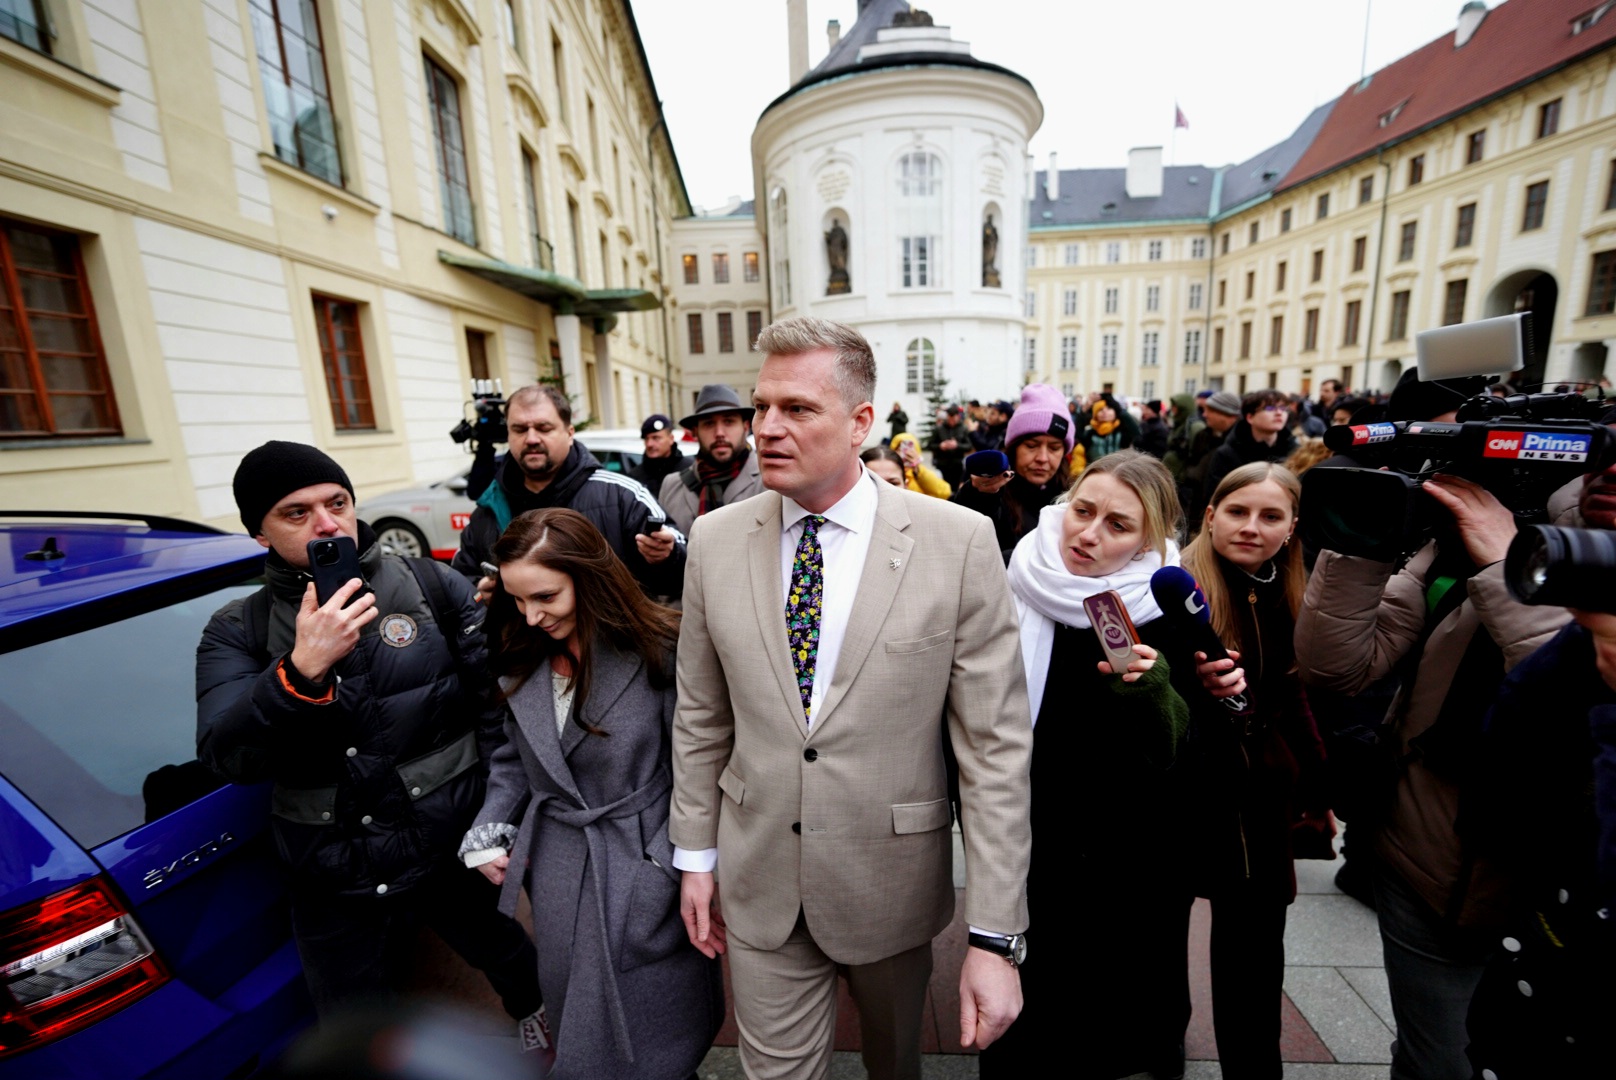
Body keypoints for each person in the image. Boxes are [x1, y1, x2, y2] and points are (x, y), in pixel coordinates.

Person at [670, 316, 1033, 1080]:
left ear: (861, 421)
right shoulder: (714, 540)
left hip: (890, 884)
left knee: (894, 1067)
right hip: (760, 875)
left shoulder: (958, 542)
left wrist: (996, 937)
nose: (767, 427)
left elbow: (994, 751)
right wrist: (695, 855)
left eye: (797, 408)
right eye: (762, 406)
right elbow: (701, 713)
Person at [195, 441, 543, 1032]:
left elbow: (493, 709)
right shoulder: (237, 628)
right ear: (259, 533)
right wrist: (298, 672)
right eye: (297, 512)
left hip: (446, 837)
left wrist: (495, 813)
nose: (328, 524)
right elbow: (228, 758)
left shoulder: (431, 585)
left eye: (337, 503)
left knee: (504, 949)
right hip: (333, 865)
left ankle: (535, 1013)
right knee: (350, 1021)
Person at [1293, 372, 1571, 1080]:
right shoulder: (1461, 536)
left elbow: (1578, 705)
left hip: (1550, 883)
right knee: (1432, 1060)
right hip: (1423, 855)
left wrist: (1511, 564)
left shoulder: (1529, 542)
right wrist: (1361, 540)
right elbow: (1338, 666)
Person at [460, 508, 724, 1079]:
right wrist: (490, 824)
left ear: (590, 577)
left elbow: (699, 767)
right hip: (559, 868)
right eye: (517, 599)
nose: (531, 616)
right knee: (579, 1028)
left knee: (659, 1039)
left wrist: (670, 865)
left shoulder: (663, 646)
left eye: (546, 597)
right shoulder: (520, 648)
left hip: (648, 858)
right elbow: (516, 755)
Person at [986, 449, 1191, 1079]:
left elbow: (1177, 745)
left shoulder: (1162, 604)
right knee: (1023, 1004)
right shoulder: (1015, 571)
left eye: (1117, 525)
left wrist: (1152, 688)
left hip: (1120, 844)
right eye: (1083, 511)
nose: (1089, 534)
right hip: (1026, 825)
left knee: (1096, 1009)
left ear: (1147, 541)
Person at [1176, 463, 1329, 1078]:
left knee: (1256, 952)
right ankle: (1159, 1042)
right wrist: (1191, 683)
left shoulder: (1297, 593)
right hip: (1183, 792)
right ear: (1211, 515)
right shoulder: (1170, 588)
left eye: (1271, 516)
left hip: (1260, 797)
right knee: (1160, 937)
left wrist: (1317, 782)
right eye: (1238, 511)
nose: (1251, 527)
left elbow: (1295, 696)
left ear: (1292, 528)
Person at [452, 385, 685, 602]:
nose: (531, 439)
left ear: (570, 433)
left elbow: (680, 575)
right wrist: (479, 592)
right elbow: (458, 585)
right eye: (520, 429)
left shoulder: (623, 497)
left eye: (544, 428)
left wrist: (668, 555)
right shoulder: (489, 509)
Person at [951, 383, 1074, 562]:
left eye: (1054, 448)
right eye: (1031, 446)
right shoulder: (994, 493)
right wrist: (978, 494)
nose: (1043, 458)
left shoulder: (1075, 498)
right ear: (1013, 448)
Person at [658, 384, 763, 536]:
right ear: (695, 432)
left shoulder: (769, 480)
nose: (719, 433)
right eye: (709, 423)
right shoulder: (672, 486)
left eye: (729, 422)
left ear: (746, 427)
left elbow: (793, 541)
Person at [1204, 390, 1300, 499]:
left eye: (1283, 408)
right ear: (1250, 417)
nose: (1279, 413)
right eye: (1270, 408)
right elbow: (1215, 496)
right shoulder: (1227, 454)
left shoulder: (1296, 452)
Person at [627, 413, 685, 495]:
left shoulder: (688, 470)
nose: (649, 444)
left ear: (671, 439)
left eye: (656, 438)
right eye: (646, 439)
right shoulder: (635, 476)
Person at [1076, 392, 1139, 465]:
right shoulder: (1090, 433)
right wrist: (1084, 409)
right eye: (1100, 409)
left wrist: (1108, 398)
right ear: (1095, 414)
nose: (1104, 412)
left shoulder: (1122, 430)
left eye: (1109, 408)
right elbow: (1078, 435)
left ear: (1115, 412)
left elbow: (1137, 434)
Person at [887, 431, 952, 497]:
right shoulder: (888, 473)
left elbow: (945, 492)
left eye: (909, 448)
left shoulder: (922, 473)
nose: (905, 452)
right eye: (899, 449)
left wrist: (917, 469)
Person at [928, 403, 971, 488]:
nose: (951, 421)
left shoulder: (963, 428)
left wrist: (957, 445)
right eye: (949, 418)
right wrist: (940, 446)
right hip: (942, 464)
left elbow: (969, 446)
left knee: (956, 489)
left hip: (957, 466)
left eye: (953, 419)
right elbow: (930, 445)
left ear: (957, 417)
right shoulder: (939, 428)